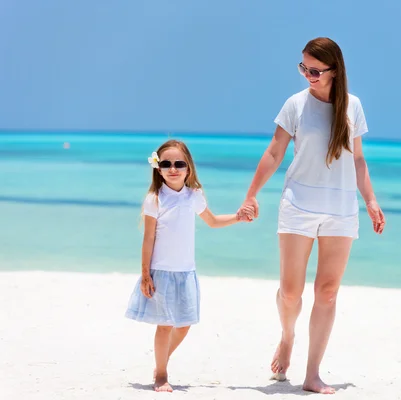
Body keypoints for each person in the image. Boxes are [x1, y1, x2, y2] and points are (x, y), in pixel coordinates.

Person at [237, 37, 386, 394]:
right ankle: (287, 337)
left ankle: (313, 373)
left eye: (315, 70)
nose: (308, 75)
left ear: (335, 70)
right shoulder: (295, 105)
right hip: (298, 206)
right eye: (303, 67)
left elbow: (358, 159)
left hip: (341, 210)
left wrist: (371, 201)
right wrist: (251, 194)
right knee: (291, 294)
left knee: (328, 292)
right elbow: (274, 152)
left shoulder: (353, 107)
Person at [125, 139, 252, 392]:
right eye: (166, 164)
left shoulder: (194, 196)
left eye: (179, 163)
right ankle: (161, 374)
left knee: (183, 325)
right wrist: (145, 274)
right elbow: (148, 238)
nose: (173, 168)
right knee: (165, 325)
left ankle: (162, 360)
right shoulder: (155, 199)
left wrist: (238, 217)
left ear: (188, 168)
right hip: (161, 273)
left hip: (186, 273)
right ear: (158, 168)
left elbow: (213, 221)